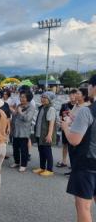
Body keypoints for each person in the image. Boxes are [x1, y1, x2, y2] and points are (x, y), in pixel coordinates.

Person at [61, 75, 96, 222]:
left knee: (83, 206)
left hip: (87, 164)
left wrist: (65, 127)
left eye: (89, 85)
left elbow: (74, 140)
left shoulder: (87, 111)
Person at [10, 90, 36, 172]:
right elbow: (14, 116)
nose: (21, 98)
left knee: (24, 149)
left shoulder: (31, 107)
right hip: (16, 130)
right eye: (20, 97)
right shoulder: (19, 105)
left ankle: (23, 165)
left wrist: (20, 112)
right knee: (15, 148)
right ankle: (17, 162)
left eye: (23, 97)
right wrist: (14, 112)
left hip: (24, 131)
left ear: (28, 98)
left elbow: (28, 118)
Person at [33, 91, 57, 177]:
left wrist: (49, 134)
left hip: (46, 134)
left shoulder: (51, 109)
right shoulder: (42, 107)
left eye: (45, 97)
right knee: (41, 151)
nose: (42, 99)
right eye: (42, 97)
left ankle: (49, 169)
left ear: (50, 99)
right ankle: (42, 167)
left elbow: (51, 123)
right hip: (40, 133)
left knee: (47, 152)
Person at [56, 89, 77, 170]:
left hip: (75, 129)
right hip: (65, 128)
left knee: (74, 146)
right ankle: (64, 161)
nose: (72, 97)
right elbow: (61, 115)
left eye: (74, 95)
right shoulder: (64, 105)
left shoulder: (79, 106)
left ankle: (73, 163)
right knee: (65, 145)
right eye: (70, 95)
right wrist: (61, 123)